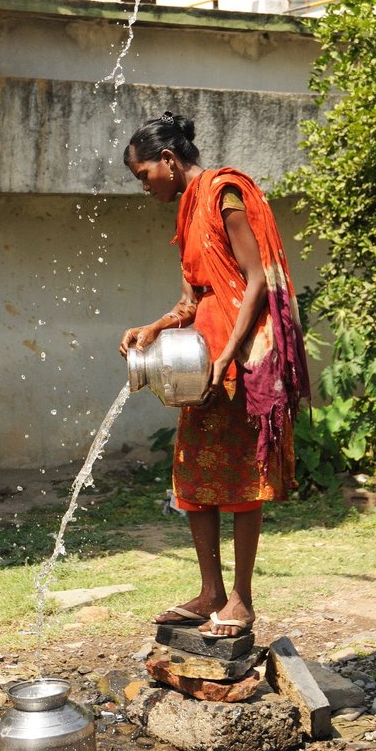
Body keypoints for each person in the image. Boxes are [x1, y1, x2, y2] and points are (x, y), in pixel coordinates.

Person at [119, 112, 309, 638]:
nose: (144, 186)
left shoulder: (226, 194)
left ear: (168, 161)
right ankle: (210, 593)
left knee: (244, 480)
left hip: (240, 360)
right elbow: (192, 297)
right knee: (194, 479)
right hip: (202, 364)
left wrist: (228, 354)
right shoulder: (188, 211)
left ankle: (242, 600)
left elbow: (256, 282)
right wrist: (153, 328)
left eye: (144, 176)